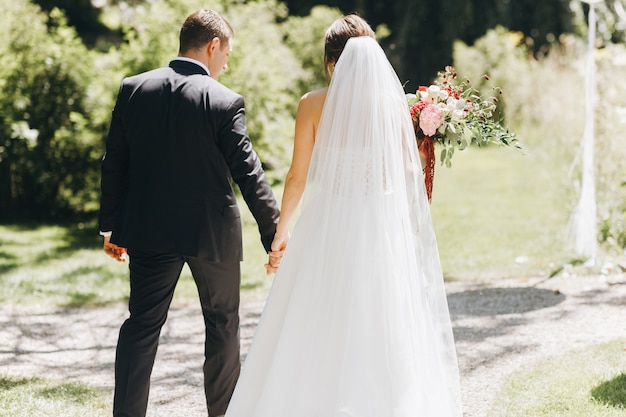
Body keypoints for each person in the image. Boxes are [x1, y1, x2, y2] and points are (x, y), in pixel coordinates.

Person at [226, 14, 462, 417]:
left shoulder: (313, 104)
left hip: (326, 226)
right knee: (380, 318)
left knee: (315, 317)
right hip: (379, 226)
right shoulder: (392, 105)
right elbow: (408, 176)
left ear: (332, 62)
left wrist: (281, 235)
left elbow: (298, 176)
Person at [98, 9, 280, 417]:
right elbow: (248, 173)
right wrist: (274, 234)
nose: (226, 63)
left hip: (148, 231)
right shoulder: (223, 99)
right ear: (212, 46)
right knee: (222, 326)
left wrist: (112, 227)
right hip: (210, 234)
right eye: (226, 53)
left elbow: (115, 163)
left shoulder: (133, 88)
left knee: (141, 326)